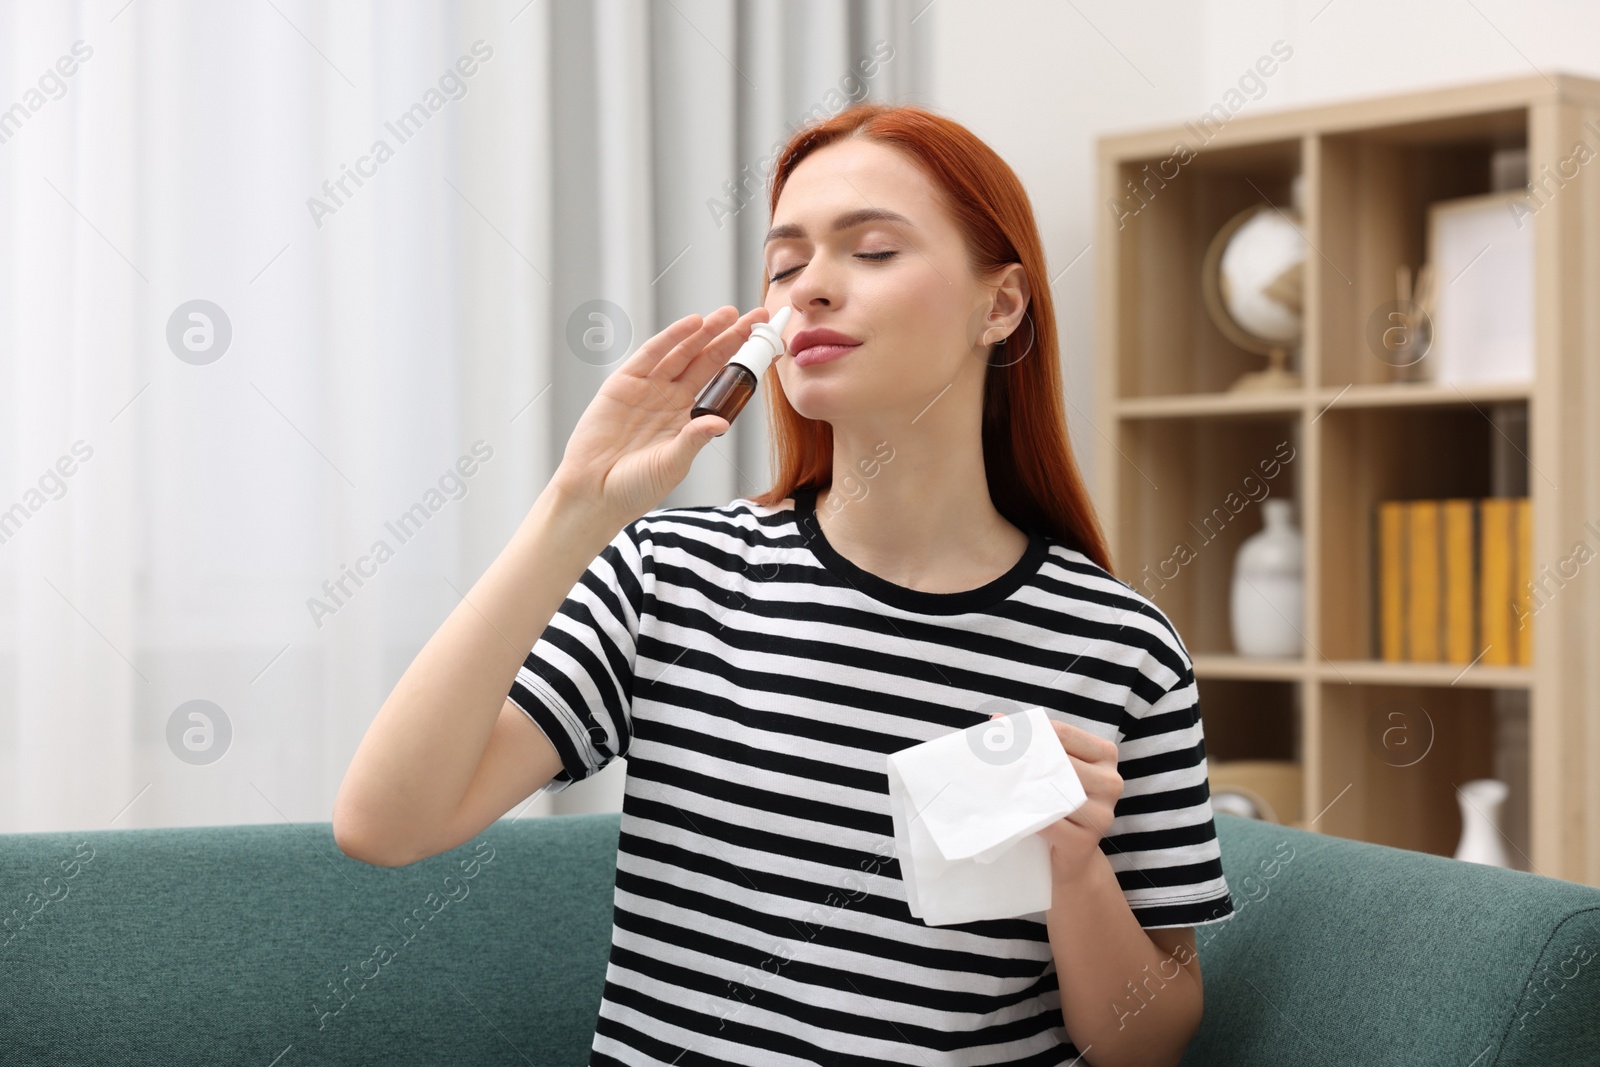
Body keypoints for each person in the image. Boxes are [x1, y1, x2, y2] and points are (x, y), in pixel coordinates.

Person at [334, 102, 1234, 1067]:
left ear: (1001, 304)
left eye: (873, 251)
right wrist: (574, 509)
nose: (809, 291)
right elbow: (387, 825)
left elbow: (1146, 1047)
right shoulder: (672, 578)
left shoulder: (1118, 645)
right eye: (785, 264)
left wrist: (1074, 865)